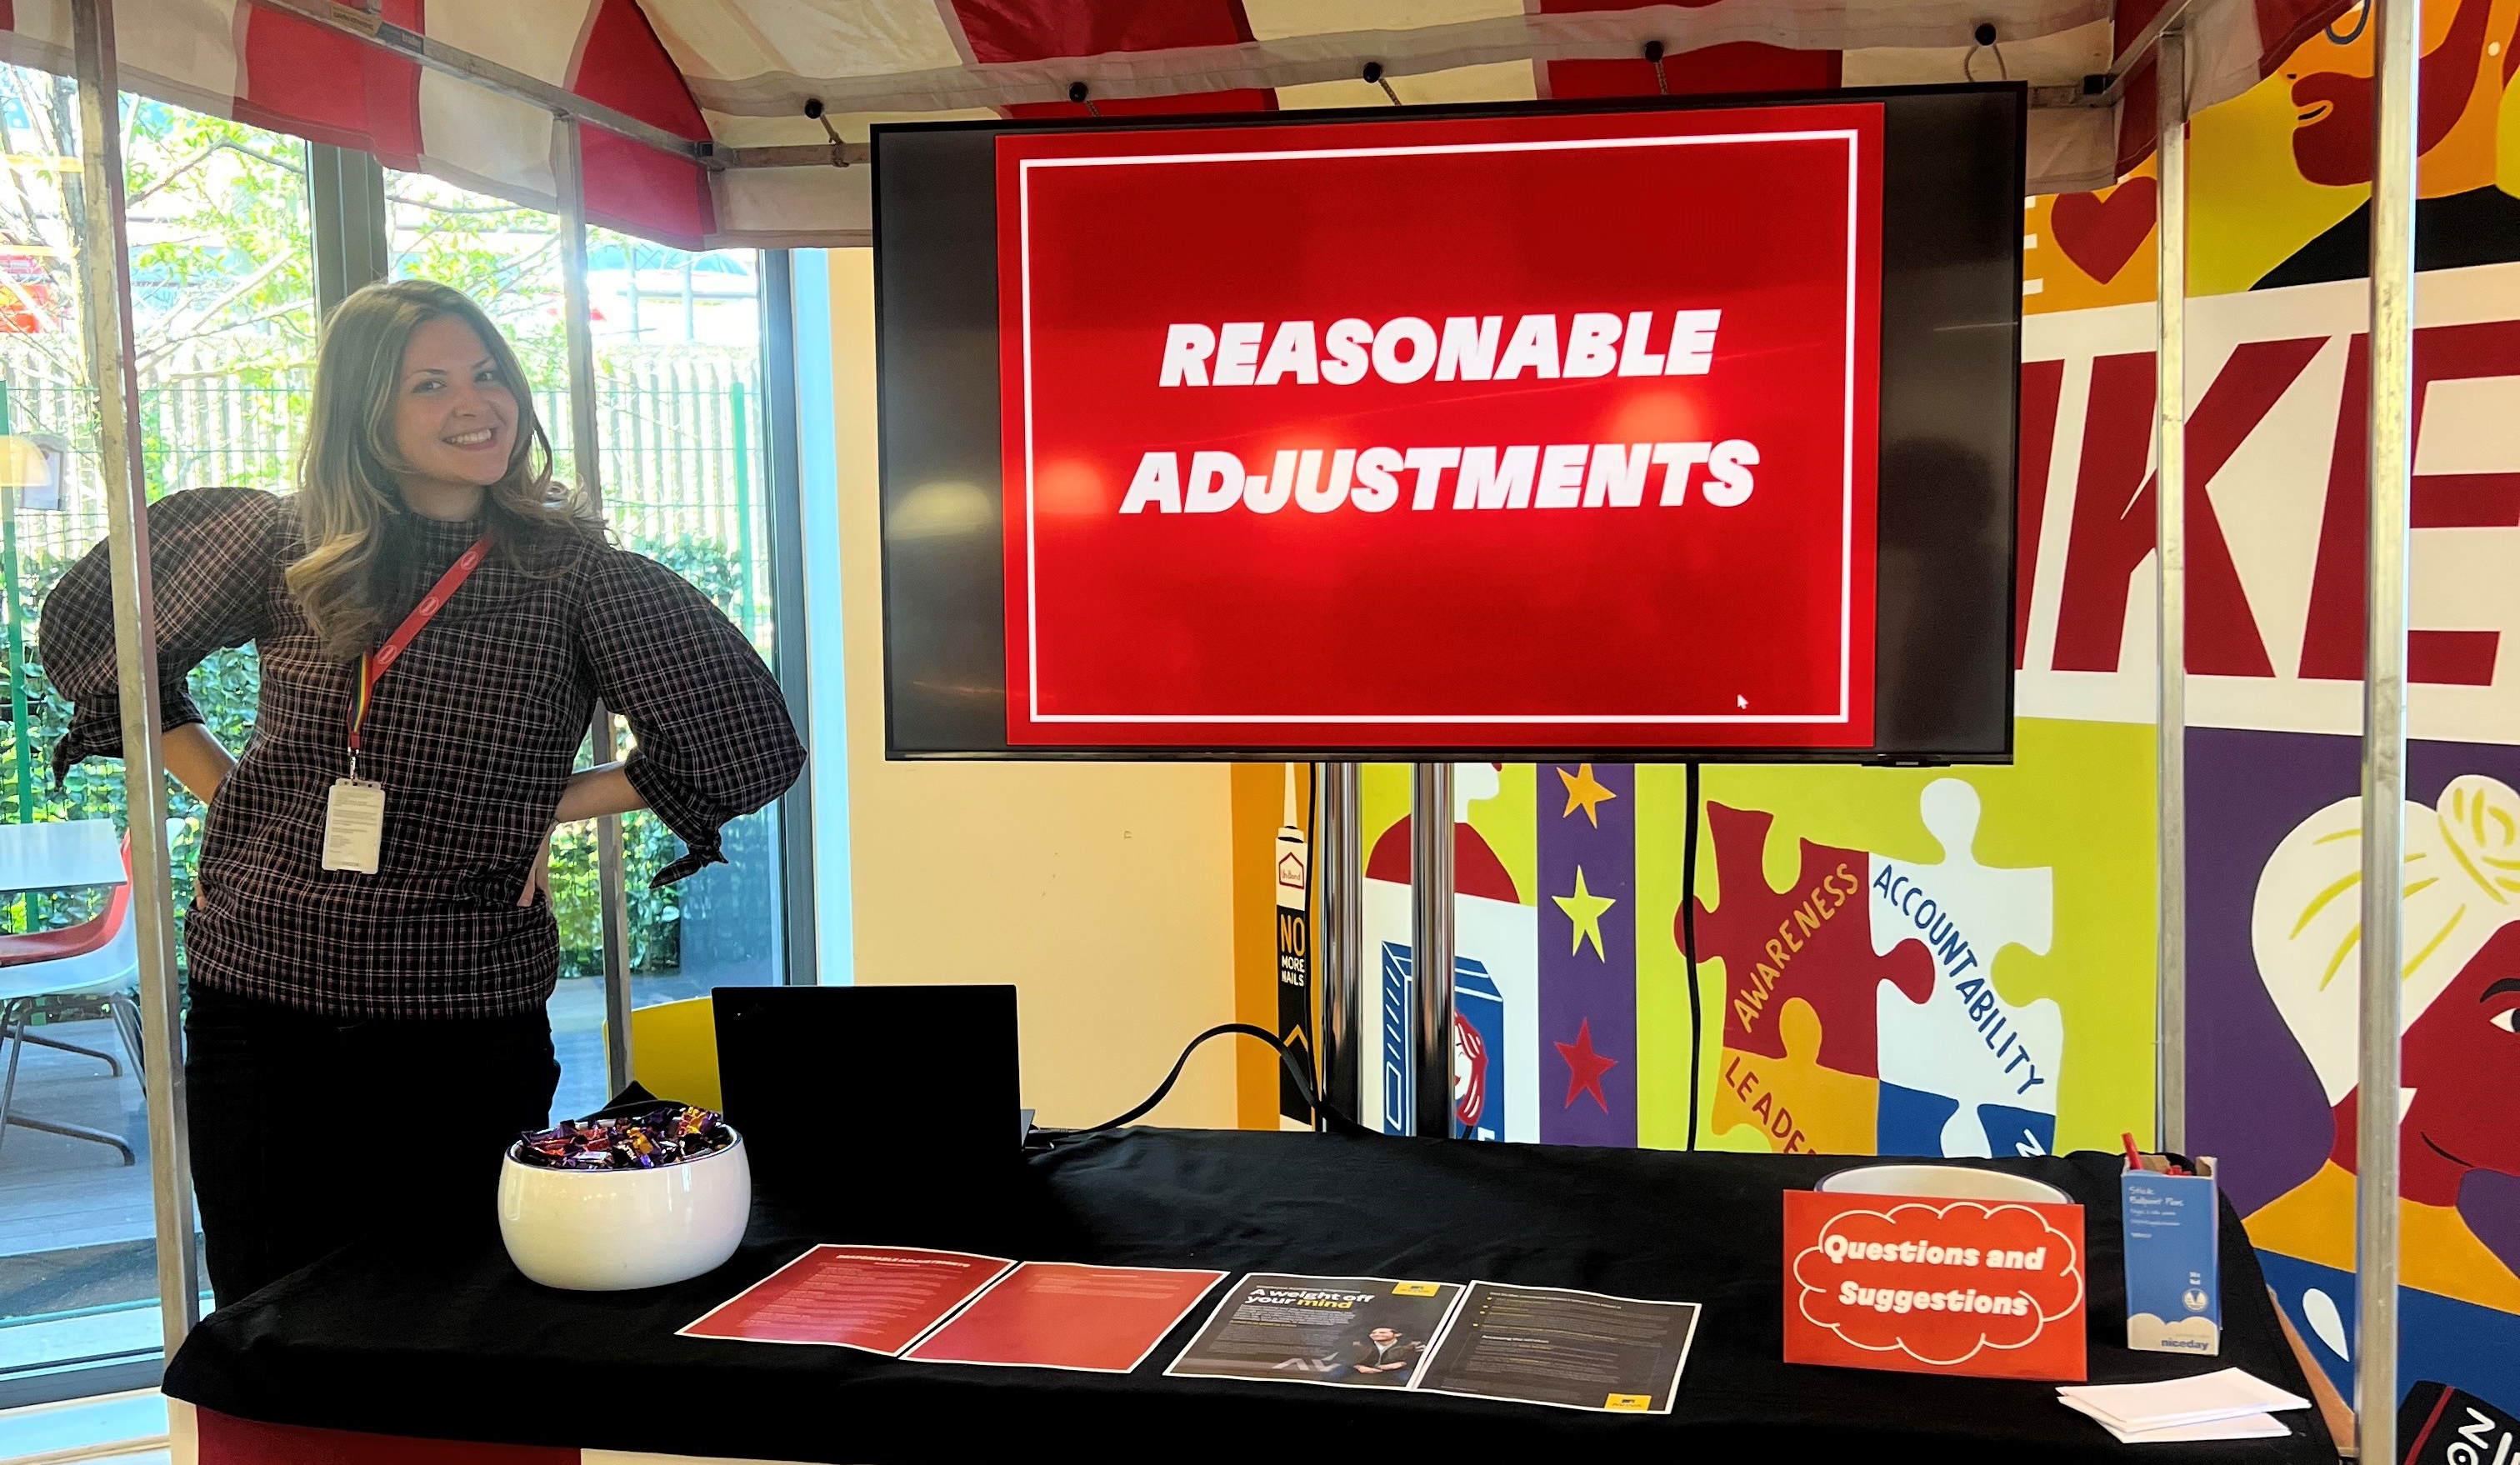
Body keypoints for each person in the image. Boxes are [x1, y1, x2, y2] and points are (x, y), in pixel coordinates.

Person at [38, 278, 804, 1307]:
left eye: (487, 373)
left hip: (460, 1017)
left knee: (450, 1317)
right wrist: (226, 790)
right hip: (262, 1006)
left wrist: (543, 804)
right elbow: (99, 632)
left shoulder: (573, 575)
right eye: (429, 384)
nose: (475, 404)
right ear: (364, 412)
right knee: (274, 1313)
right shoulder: (284, 543)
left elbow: (747, 743)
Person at [1329, 1324, 1422, 1384]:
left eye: (1383, 1332)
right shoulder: (1359, 1344)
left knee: (1409, 1380)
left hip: (1396, 1369)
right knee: (1334, 1375)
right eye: (1373, 1333)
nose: (1377, 1334)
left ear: (1397, 1335)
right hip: (1360, 1367)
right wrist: (1358, 1366)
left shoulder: (1408, 1345)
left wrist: (1400, 1364)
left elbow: (1417, 1359)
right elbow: (1343, 1357)